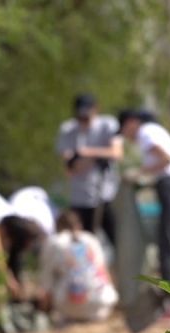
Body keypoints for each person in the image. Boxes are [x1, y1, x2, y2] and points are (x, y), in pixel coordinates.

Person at [118, 109, 170, 297]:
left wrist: (139, 173)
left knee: (168, 241)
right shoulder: (153, 130)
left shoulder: (146, 131)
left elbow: (166, 159)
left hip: (169, 186)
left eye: (123, 129)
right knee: (169, 239)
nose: (125, 135)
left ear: (132, 122)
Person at [56, 94, 123, 242]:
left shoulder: (108, 125)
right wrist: (97, 156)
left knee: (117, 240)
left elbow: (116, 153)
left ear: (96, 109)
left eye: (87, 116)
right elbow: (71, 167)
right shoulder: (68, 129)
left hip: (106, 194)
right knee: (82, 242)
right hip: (79, 197)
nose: (83, 120)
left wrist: (86, 153)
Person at [36, 211, 119, 323]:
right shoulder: (91, 239)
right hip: (101, 303)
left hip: (69, 306)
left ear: (57, 227)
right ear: (79, 225)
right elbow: (104, 272)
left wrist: (43, 308)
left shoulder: (54, 241)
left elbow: (46, 282)